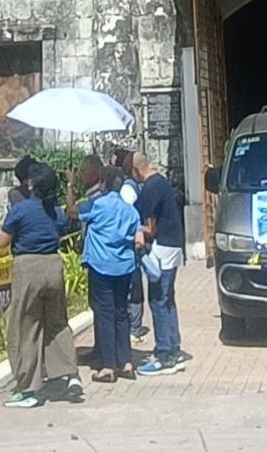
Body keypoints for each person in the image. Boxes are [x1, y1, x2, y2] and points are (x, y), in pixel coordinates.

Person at [0, 163, 80, 408]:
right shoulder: (56, 212)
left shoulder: (20, 209)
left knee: (26, 327)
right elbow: (66, 222)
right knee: (57, 323)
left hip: (28, 267)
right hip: (53, 266)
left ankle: (29, 387)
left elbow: (1, 241)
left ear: (31, 184)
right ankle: (69, 374)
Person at [68, 155, 141, 382]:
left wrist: (70, 184)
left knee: (105, 314)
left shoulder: (97, 205)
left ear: (103, 183)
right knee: (122, 313)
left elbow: (71, 211)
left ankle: (108, 366)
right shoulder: (129, 209)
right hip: (124, 267)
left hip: (101, 266)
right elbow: (138, 238)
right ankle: (126, 362)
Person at [131, 152, 189, 374]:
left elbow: (150, 228)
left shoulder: (150, 188)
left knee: (157, 300)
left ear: (136, 170)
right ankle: (174, 349)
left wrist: (135, 231)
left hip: (162, 249)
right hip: (173, 245)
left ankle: (164, 355)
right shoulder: (162, 182)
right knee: (168, 300)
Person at [113, 146, 148, 340]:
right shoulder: (134, 185)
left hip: (132, 241)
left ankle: (134, 326)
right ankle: (134, 325)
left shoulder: (127, 188)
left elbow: (127, 213)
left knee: (133, 285)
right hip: (136, 239)